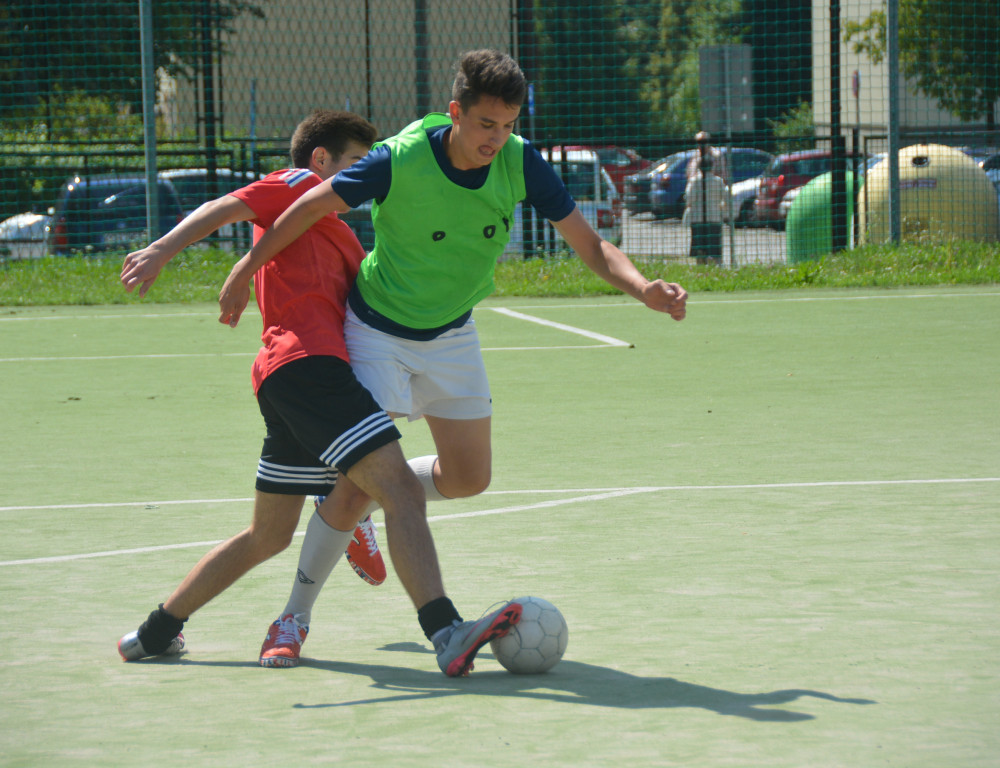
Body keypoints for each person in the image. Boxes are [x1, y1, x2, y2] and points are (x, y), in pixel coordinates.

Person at [218, 49, 689, 668]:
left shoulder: (520, 163)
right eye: (486, 124)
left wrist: (643, 288)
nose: (498, 138)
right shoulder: (399, 159)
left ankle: (359, 486)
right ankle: (292, 618)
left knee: (470, 477)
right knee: (364, 491)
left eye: (509, 125)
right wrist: (245, 266)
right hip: (376, 331)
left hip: (452, 333)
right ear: (456, 113)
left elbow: (590, 244)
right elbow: (307, 207)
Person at [117, 109, 523, 678]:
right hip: (311, 371)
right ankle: (445, 631)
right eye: (357, 161)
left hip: (287, 379)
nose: (367, 172)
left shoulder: (342, 238)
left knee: (268, 535)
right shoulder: (297, 186)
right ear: (320, 161)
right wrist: (161, 250)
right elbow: (219, 208)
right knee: (400, 490)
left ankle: (153, 633)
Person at [685, 133, 728, 265]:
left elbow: (724, 176)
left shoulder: (717, 156)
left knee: (714, 246)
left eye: (703, 141)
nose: (701, 144)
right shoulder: (694, 156)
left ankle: (715, 268)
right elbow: (689, 174)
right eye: (698, 141)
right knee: (700, 248)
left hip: (711, 201)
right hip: (699, 206)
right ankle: (702, 269)